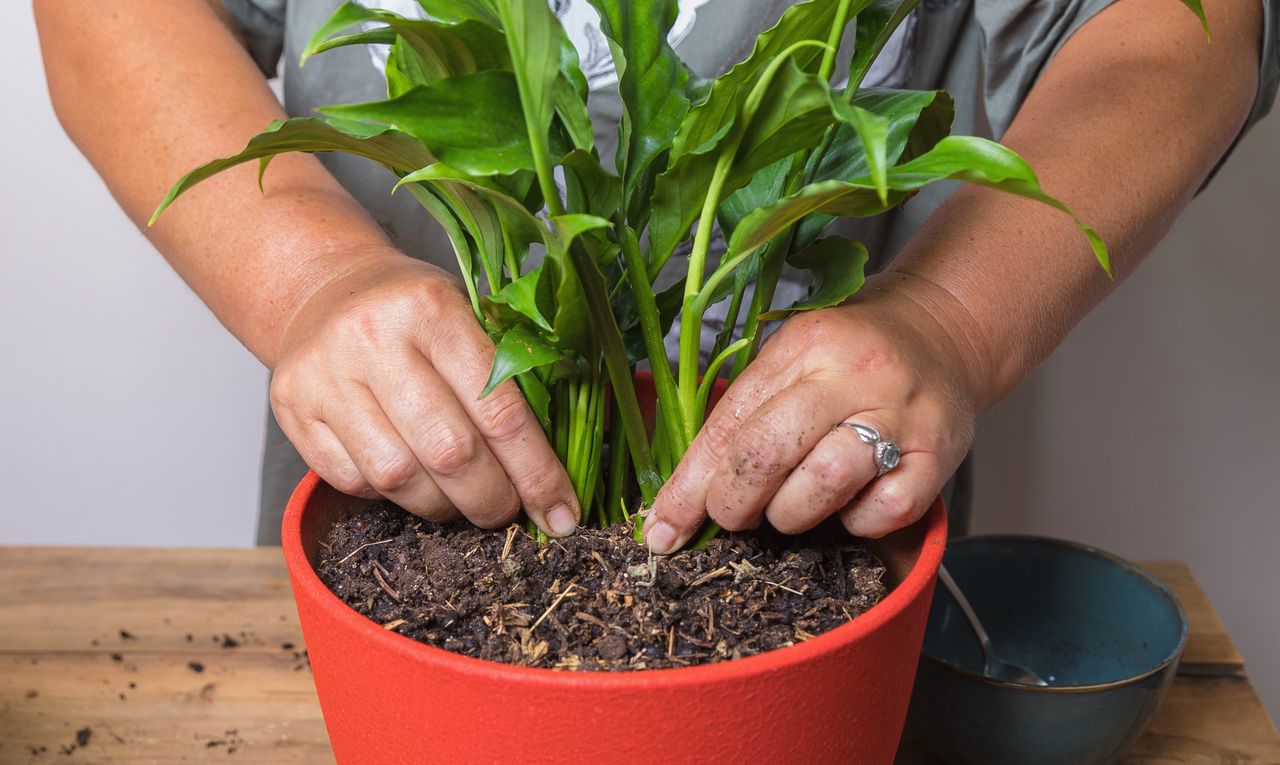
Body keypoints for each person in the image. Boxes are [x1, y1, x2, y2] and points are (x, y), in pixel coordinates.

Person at [35, 0, 1276, 549]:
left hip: (811, 516)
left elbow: (1175, 20)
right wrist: (305, 279)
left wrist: (947, 319)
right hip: (400, 519)